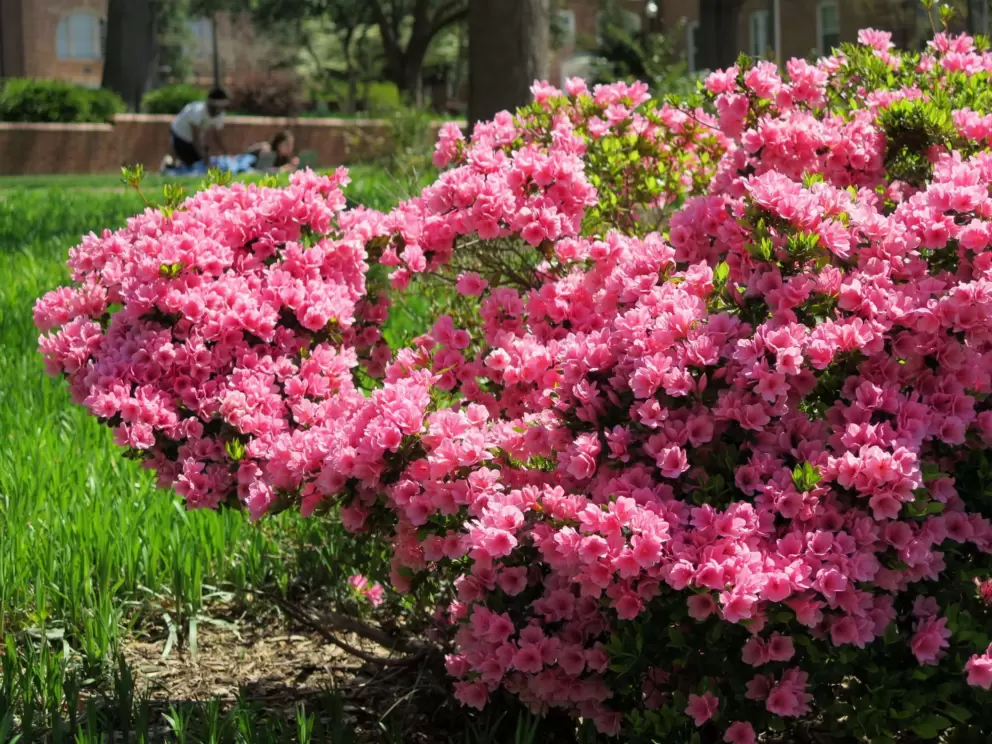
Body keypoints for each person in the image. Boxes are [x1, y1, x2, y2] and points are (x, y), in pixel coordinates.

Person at [170, 88, 230, 167]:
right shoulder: (197, 111)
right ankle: (171, 161)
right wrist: (206, 162)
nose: (218, 111)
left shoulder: (220, 115)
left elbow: (217, 136)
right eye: (215, 107)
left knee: (202, 156)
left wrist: (227, 154)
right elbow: (196, 139)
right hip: (180, 136)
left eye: (221, 108)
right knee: (189, 163)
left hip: (195, 140)